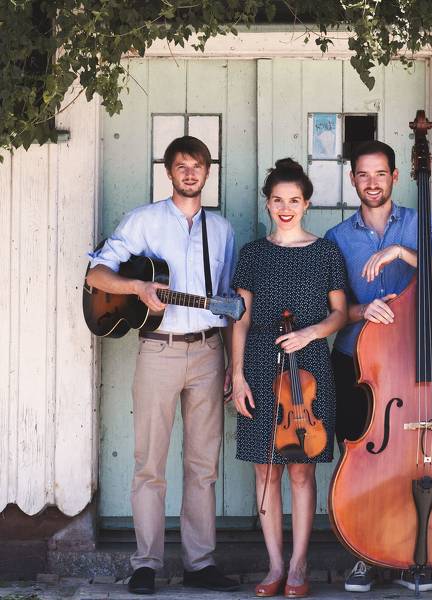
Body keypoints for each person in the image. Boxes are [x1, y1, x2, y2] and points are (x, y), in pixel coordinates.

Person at [86, 136, 239, 595]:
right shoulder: (144, 220)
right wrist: (137, 288)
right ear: (168, 172)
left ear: (208, 172)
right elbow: (96, 273)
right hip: (158, 349)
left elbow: (229, 305)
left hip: (208, 352)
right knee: (149, 462)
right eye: (181, 166)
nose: (190, 173)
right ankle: (146, 564)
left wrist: (233, 365)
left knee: (203, 464)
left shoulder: (222, 230)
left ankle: (200, 563)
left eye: (198, 166)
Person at [324, 140, 432, 593]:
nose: (372, 183)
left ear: (395, 177)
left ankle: (408, 555)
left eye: (380, 174)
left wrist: (404, 253)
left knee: (411, 459)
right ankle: (363, 554)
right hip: (357, 362)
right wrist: (363, 311)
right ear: (352, 180)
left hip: (414, 365)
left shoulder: (420, 225)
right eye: (363, 175)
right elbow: (330, 311)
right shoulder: (337, 238)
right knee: (361, 461)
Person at [231, 159, 347, 599]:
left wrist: (310, 333)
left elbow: (340, 313)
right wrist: (237, 374)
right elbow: (240, 319)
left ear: (306, 204)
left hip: (310, 364)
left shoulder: (325, 252)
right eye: (277, 200)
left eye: (294, 200)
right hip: (260, 363)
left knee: (301, 469)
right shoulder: (252, 254)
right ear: (267, 203)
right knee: (266, 470)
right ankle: (275, 564)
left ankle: (299, 563)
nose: (285, 208)